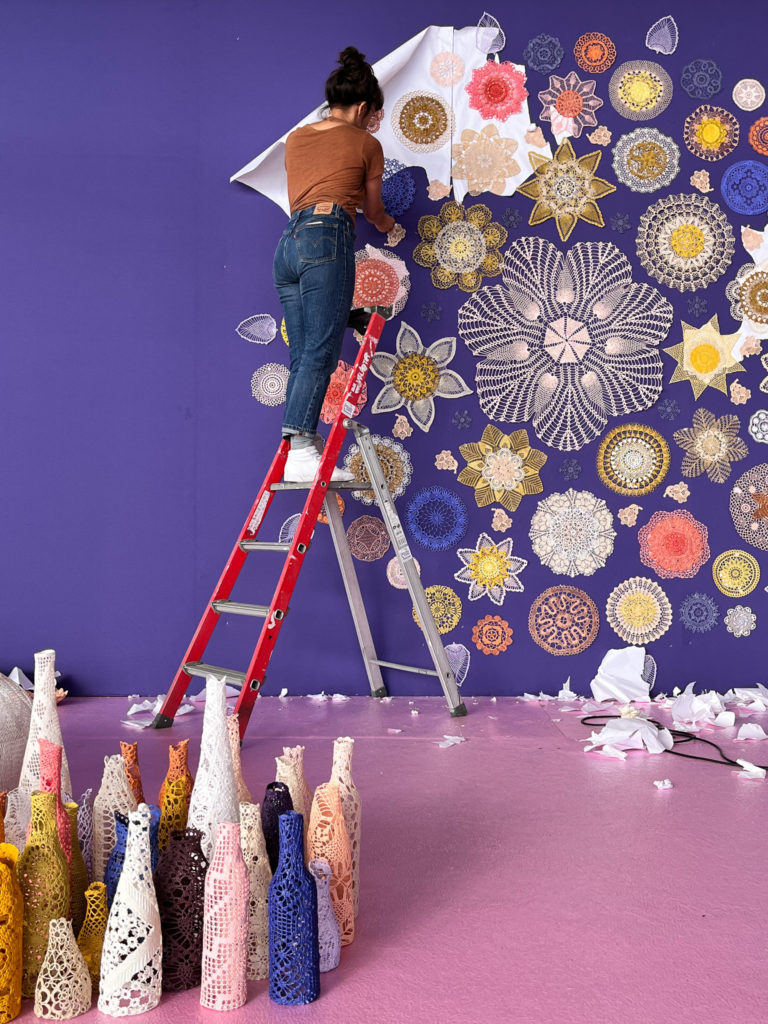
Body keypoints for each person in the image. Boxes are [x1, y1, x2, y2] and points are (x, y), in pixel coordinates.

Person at [274, 46, 402, 482]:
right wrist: (390, 226)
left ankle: (296, 450)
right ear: (364, 108)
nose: (373, 124)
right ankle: (302, 449)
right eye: (373, 116)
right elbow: (372, 210)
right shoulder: (367, 143)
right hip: (326, 237)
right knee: (321, 351)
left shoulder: (297, 137)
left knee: (304, 350)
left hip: (288, 246)